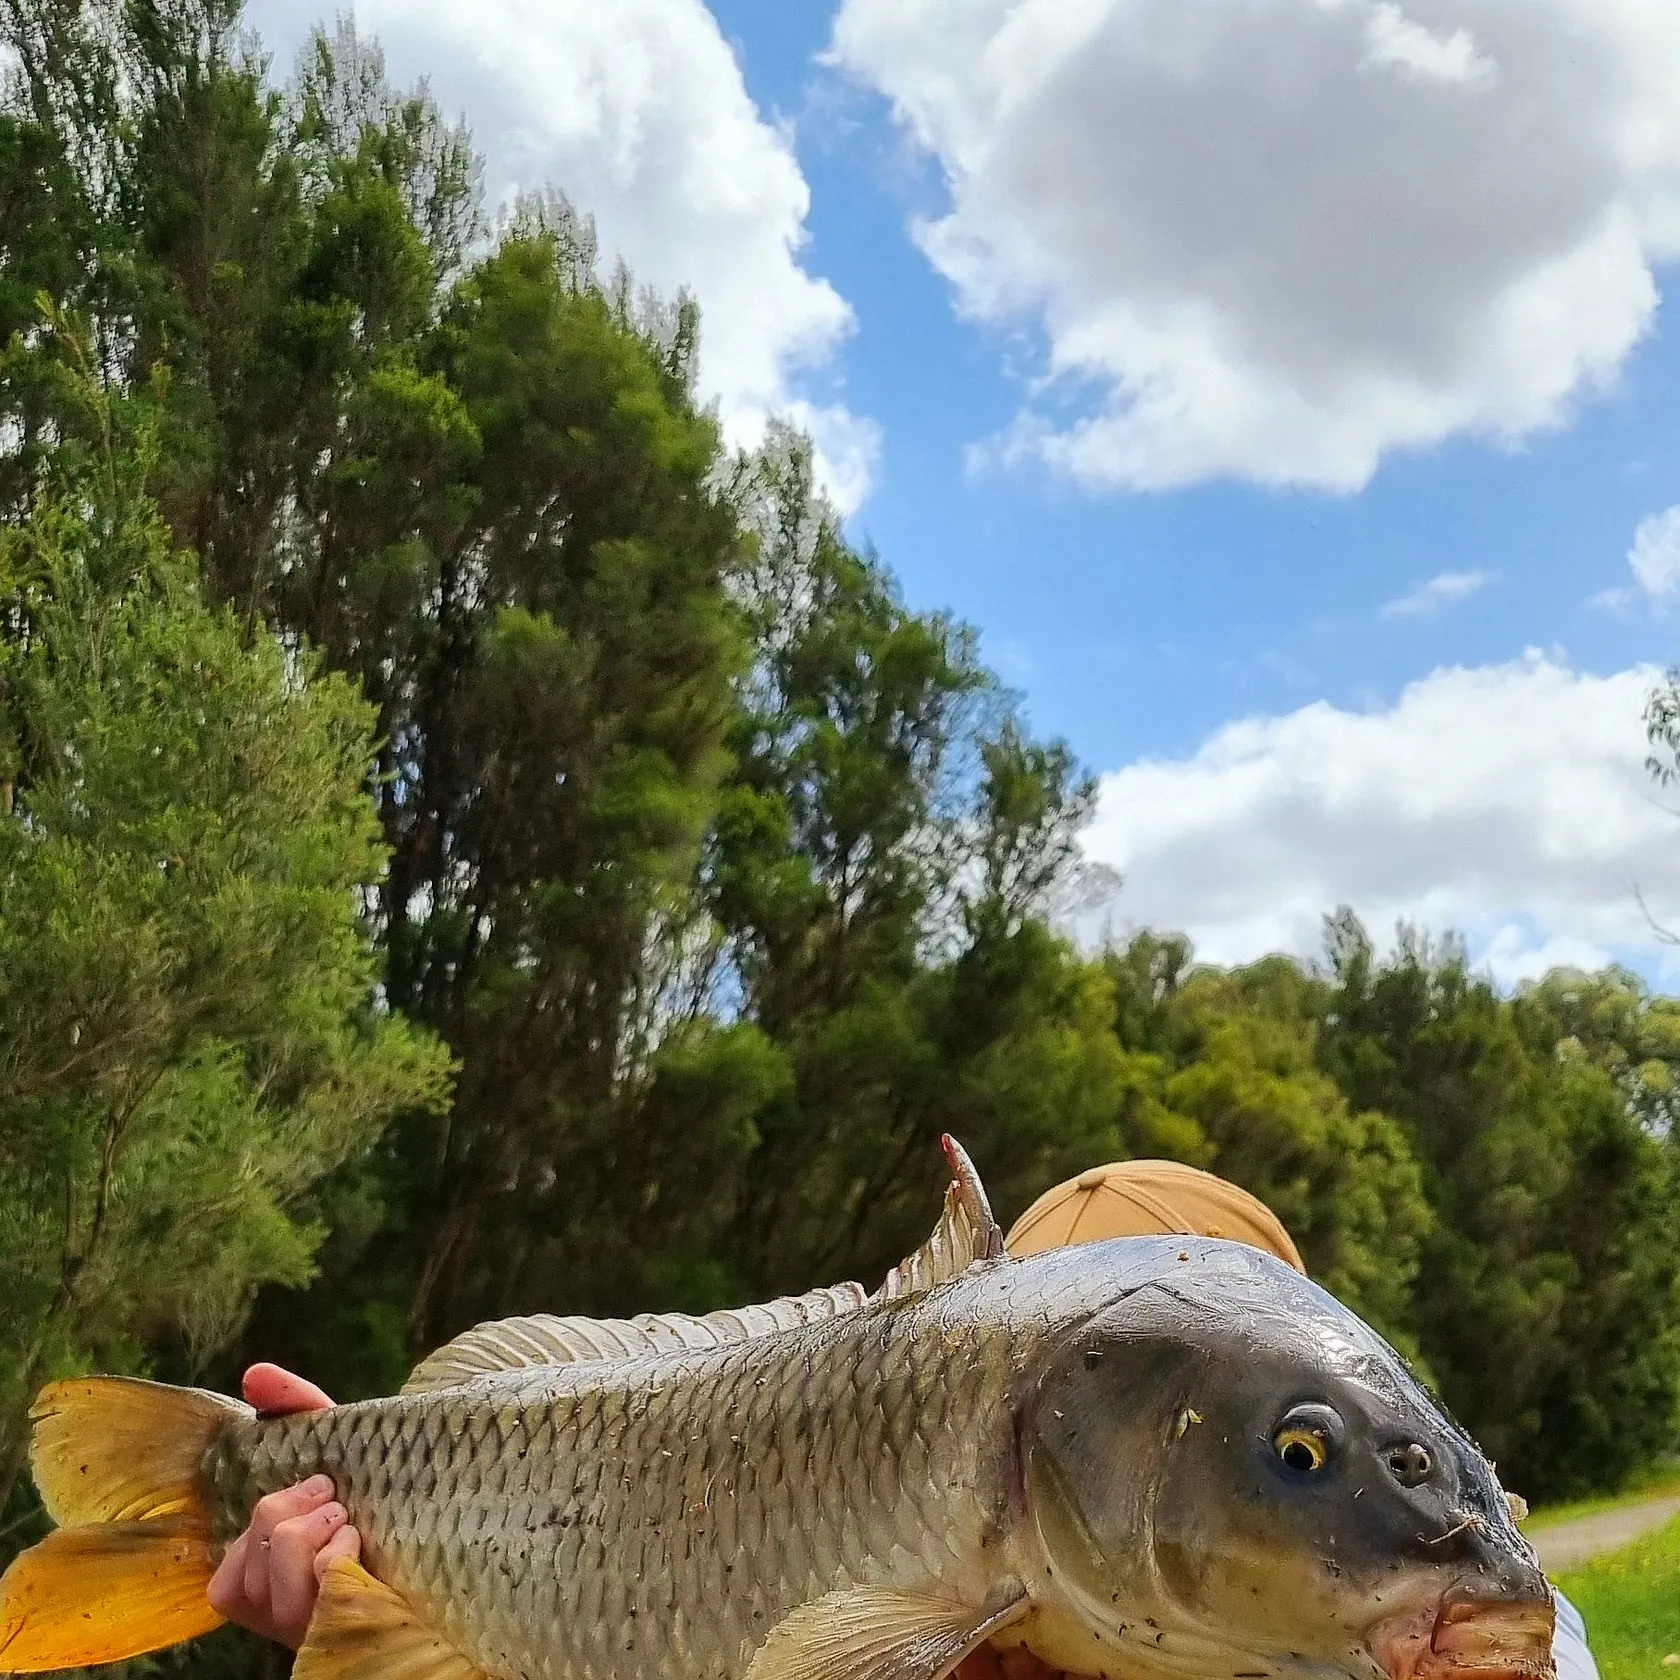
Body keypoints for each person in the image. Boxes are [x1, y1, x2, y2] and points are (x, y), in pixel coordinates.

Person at [215, 1160, 1598, 1680]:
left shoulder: (1388, 1635)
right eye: (1297, 1453)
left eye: (1304, 1452)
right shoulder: (936, 1611)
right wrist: (366, 1596)